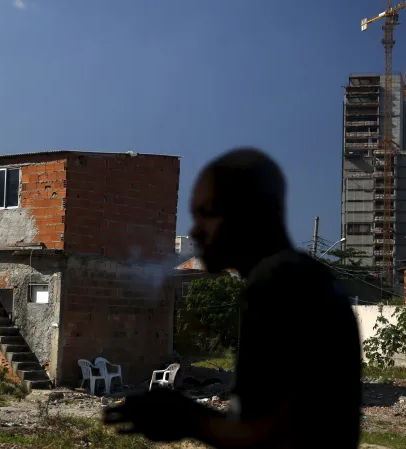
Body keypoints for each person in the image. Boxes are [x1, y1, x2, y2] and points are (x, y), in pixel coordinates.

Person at [103, 147, 362, 448]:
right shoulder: (306, 278)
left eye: (208, 213)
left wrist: (186, 417)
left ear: (254, 212)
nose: (196, 232)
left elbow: (270, 435)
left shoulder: (277, 285)